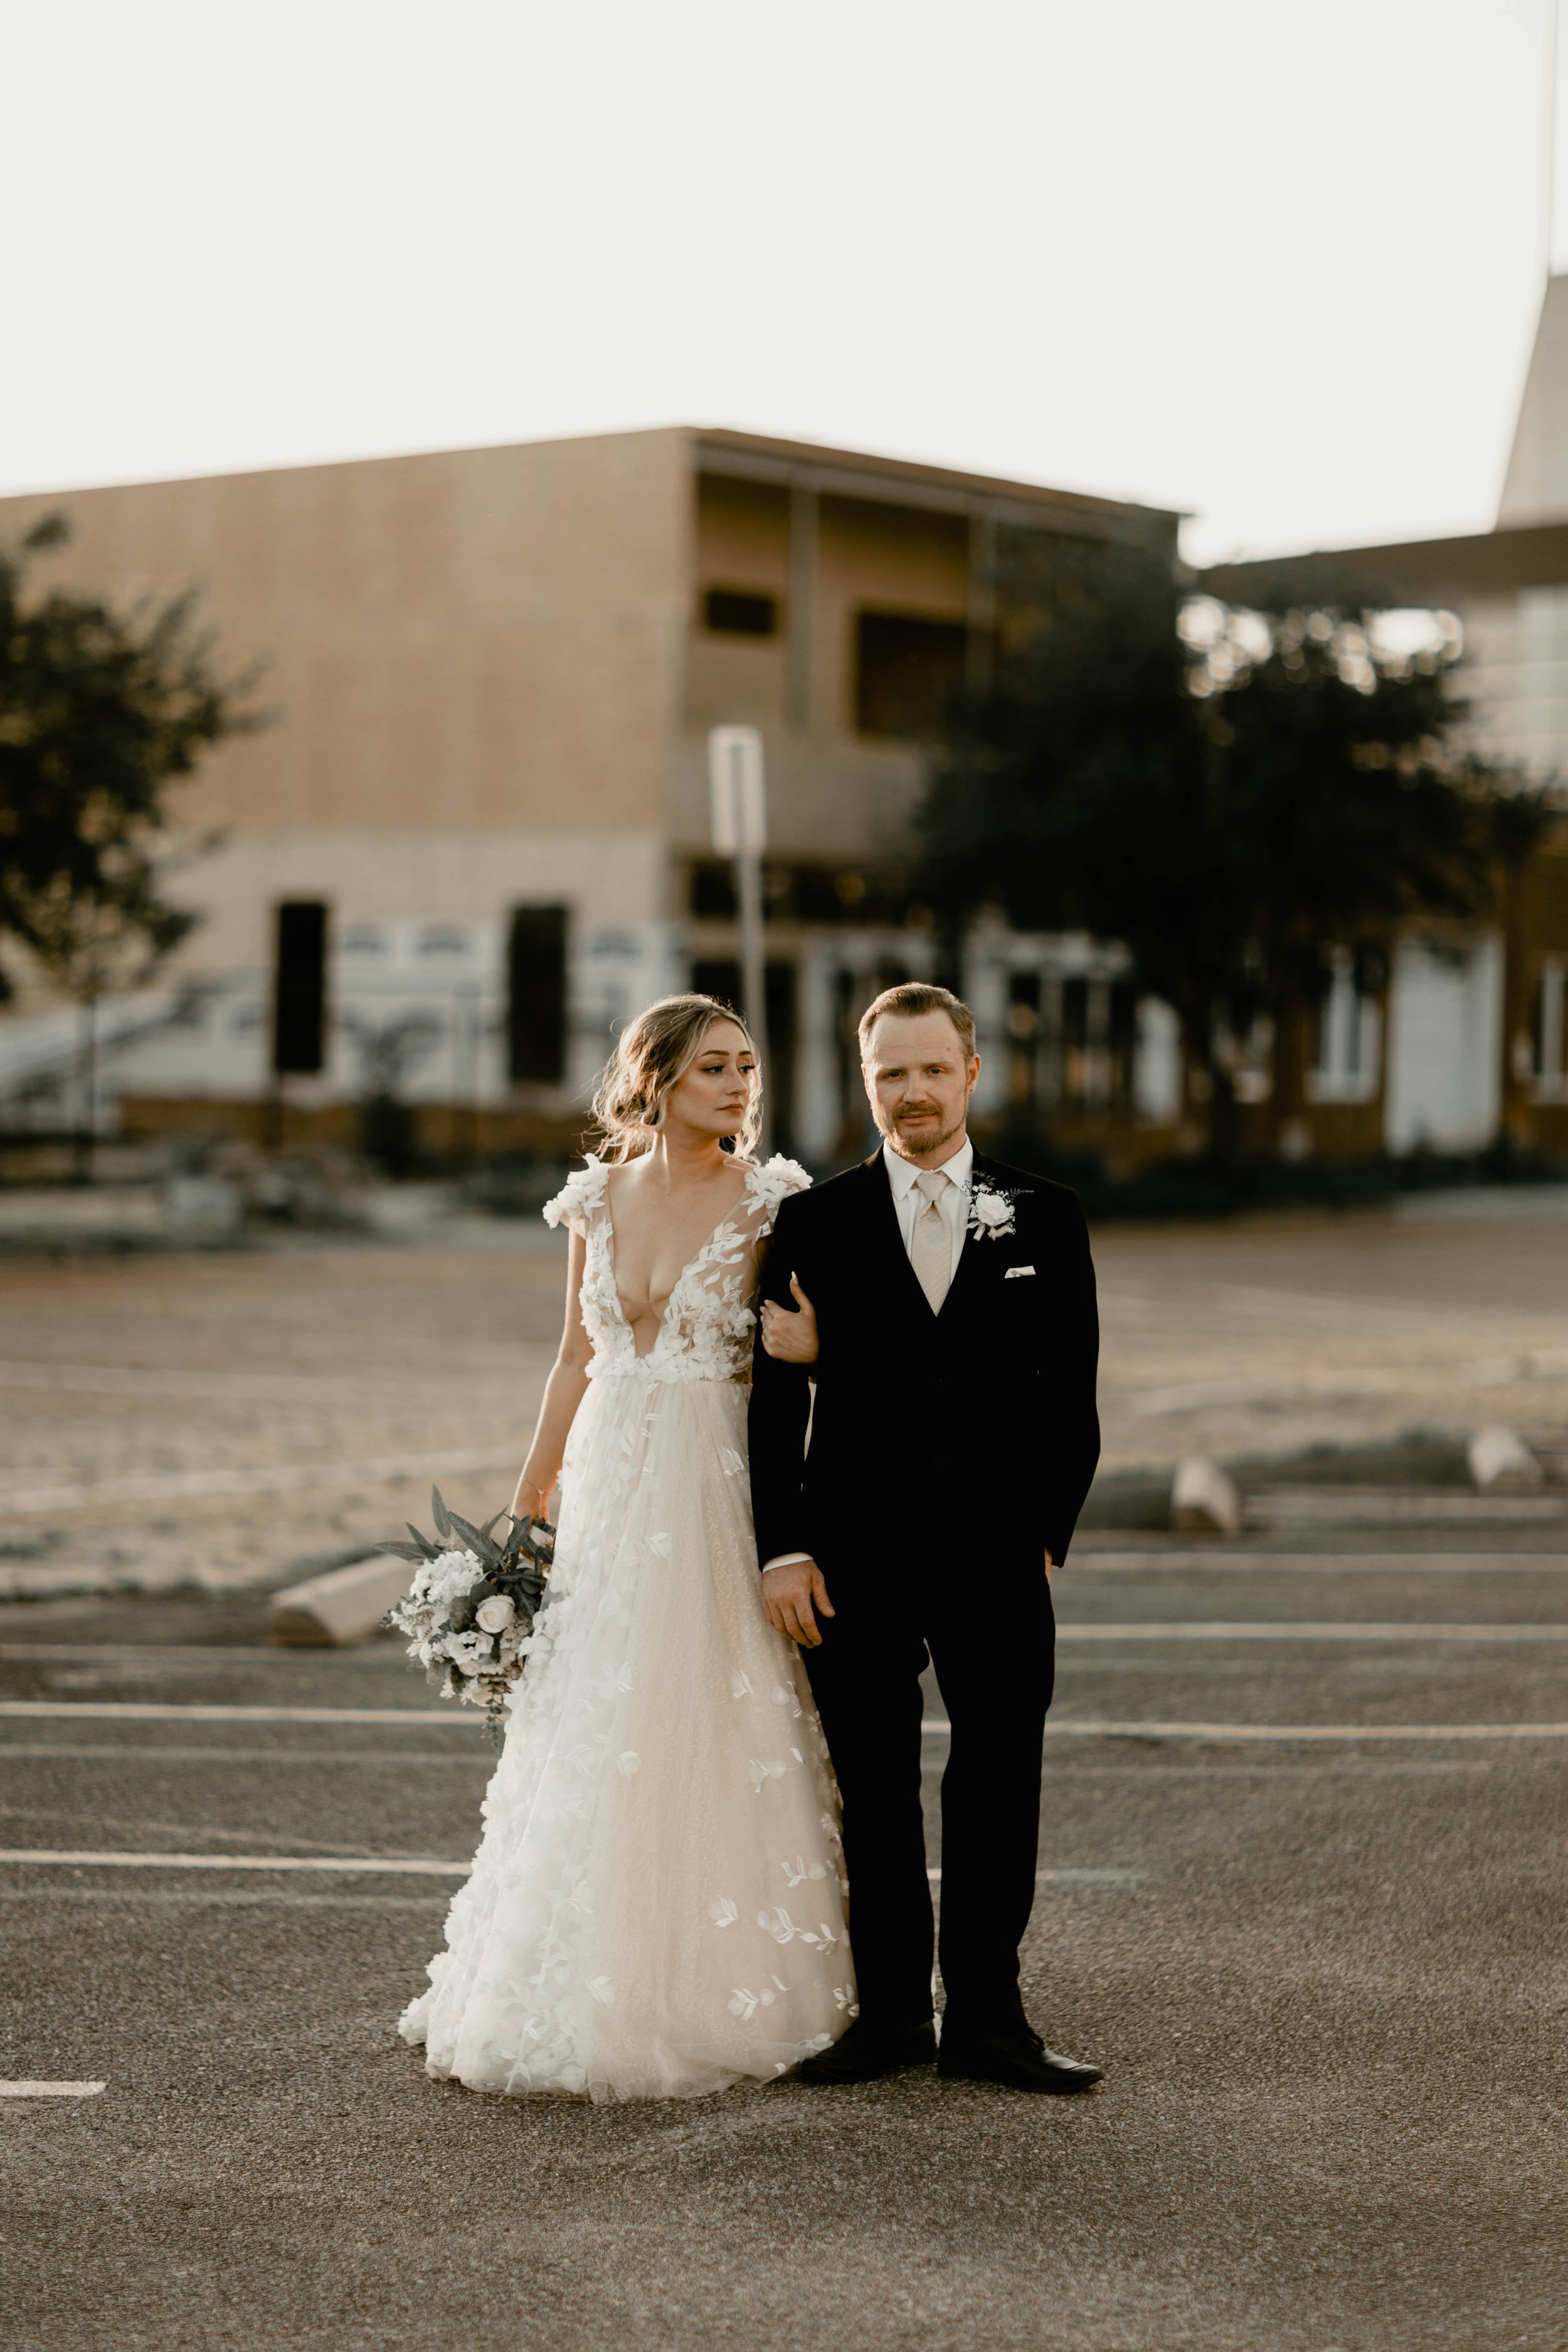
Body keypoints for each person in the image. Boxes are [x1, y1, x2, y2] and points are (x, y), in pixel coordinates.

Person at [400, 996, 853, 2102]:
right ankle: (574, 1972)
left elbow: (797, 1356)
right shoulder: (593, 1198)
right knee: (593, 1712)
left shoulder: (773, 1201)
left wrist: (819, 1355)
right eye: (715, 1068)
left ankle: (717, 1980)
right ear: (656, 1081)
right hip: (608, 1477)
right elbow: (573, 1356)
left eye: (747, 1066)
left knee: (705, 1702)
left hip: (712, 1478)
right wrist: (526, 1510)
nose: (739, 1085)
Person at [749, 982, 1103, 2093]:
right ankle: (894, 2014)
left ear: (971, 1073)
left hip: (999, 1550)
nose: (913, 1091)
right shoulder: (812, 1222)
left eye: (932, 1069)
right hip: (851, 1553)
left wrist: (1046, 1528)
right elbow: (772, 1407)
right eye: (890, 1072)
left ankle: (989, 2020)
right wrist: (782, 1548)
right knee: (874, 1788)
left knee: (998, 1782)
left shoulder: (1046, 1214)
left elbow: (1071, 1392)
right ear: (866, 1082)